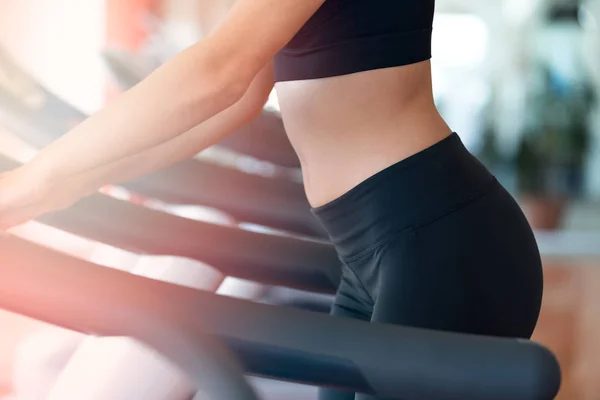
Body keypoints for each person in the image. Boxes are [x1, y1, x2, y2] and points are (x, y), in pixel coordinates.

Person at [0, 1, 543, 399]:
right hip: (378, 252)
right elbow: (235, 97)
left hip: (435, 246)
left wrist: (31, 185)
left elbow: (218, 72)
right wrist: (56, 186)